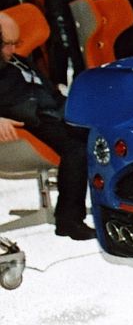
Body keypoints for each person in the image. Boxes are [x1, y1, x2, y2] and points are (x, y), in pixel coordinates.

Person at [0, 13, 94, 240]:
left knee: (104, 137)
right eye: (7, 44)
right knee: (75, 151)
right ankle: (69, 220)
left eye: (16, 43)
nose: (13, 49)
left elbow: (49, 91)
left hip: (54, 113)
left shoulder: (20, 61)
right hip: (29, 119)